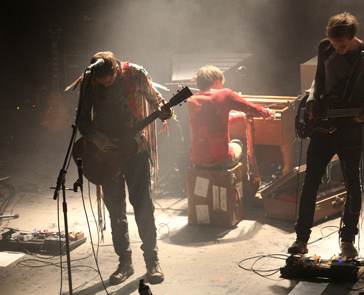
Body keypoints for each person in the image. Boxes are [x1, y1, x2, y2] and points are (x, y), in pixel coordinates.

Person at [288, 12, 364, 258]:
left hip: (350, 128)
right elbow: (318, 78)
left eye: (342, 44)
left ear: (353, 37)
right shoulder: (325, 47)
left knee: (353, 185)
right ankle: (301, 239)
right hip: (321, 126)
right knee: (310, 183)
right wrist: (311, 99)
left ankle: (348, 241)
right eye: (333, 43)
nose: (337, 48)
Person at [75, 51, 172, 285]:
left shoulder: (136, 74)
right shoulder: (88, 80)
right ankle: (124, 262)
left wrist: (165, 110)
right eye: (102, 83)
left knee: (143, 205)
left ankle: (152, 260)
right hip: (105, 155)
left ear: (116, 70)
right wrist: (98, 140)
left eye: (109, 81)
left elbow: (156, 100)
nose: (105, 85)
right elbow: (81, 119)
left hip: (134, 149)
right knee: (115, 210)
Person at [187, 65, 274, 170]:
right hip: (220, 160)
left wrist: (239, 116)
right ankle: (244, 184)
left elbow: (213, 124)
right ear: (217, 81)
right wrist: (267, 112)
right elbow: (251, 109)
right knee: (239, 144)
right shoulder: (224, 94)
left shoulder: (192, 101)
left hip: (197, 161)